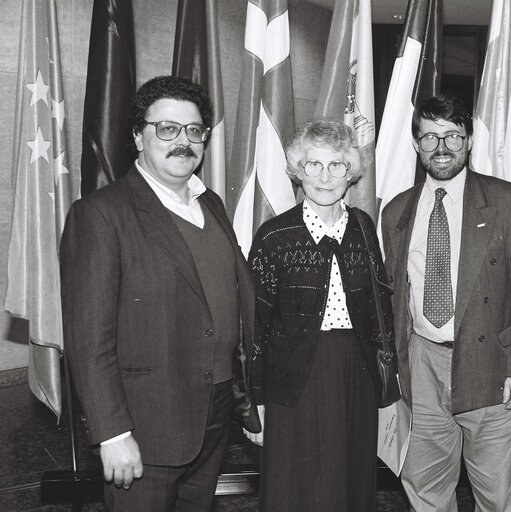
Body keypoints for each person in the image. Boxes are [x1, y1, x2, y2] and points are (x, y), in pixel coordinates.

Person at [60, 75, 260, 512]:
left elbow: (230, 305)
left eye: (193, 131)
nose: (182, 141)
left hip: (214, 409)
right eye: (166, 129)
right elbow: (88, 339)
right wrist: (112, 434)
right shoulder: (100, 214)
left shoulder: (211, 205)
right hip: (145, 424)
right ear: (138, 136)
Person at [380, 93, 511, 512]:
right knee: (425, 487)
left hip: (491, 368)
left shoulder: (505, 199)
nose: (441, 148)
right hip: (421, 367)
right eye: (430, 137)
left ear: (469, 141)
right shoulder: (397, 210)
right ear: (416, 145)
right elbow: (395, 299)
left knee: (502, 495)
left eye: (452, 136)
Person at [246, 118, 396, 512]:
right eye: (314, 165)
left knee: (351, 478)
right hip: (293, 378)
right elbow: (254, 326)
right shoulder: (274, 236)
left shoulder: (363, 227)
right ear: (298, 171)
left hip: (357, 373)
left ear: (352, 173)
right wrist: (254, 399)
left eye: (337, 165)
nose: (325, 177)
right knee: (297, 486)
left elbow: (382, 311)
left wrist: (388, 388)